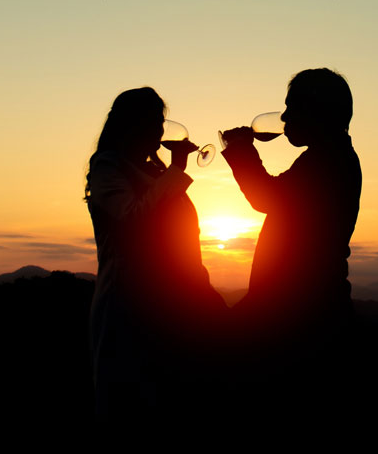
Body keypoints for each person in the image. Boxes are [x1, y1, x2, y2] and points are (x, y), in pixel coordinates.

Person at [221, 69, 362, 415]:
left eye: (291, 107)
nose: (283, 117)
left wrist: (241, 151)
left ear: (317, 111)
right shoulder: (332, 156)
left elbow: (266, 197)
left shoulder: (326, 162)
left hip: (300, 321)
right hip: (306, 313)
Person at [85, 87, 223, 421]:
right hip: (129, 305)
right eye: (153, 122)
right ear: (130, 126)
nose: (160, 131)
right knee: (132, 402)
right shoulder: (107, 172)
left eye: (160, 122)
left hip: (172, 305)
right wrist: (177, 168)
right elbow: (134, 220)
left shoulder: (151, 173)